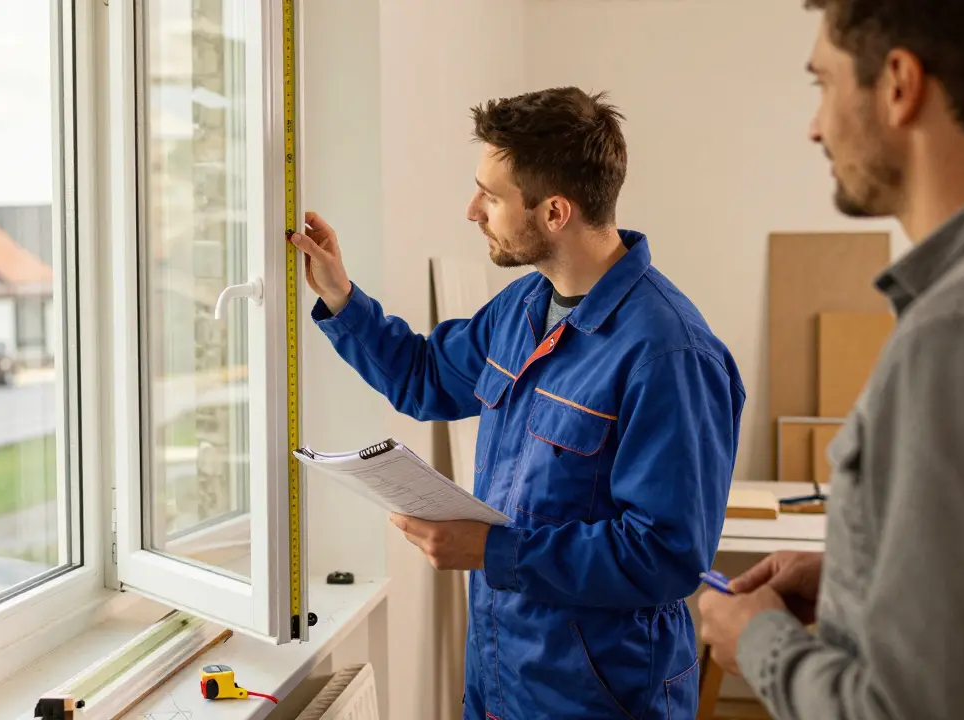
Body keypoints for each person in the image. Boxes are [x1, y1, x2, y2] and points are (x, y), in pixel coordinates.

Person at [291, 87, 745, 719]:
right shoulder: (525, 307)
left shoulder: (670, 356)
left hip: (602, 699)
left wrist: (489, 552)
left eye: (492, 195)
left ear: (555, 212)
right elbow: (426, 376)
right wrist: (341, 297)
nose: (472, 210)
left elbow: (665, 558)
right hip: (501, 680)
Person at [698, 2, 964, 718]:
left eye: (822, 85)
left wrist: (759, 642)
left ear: (898, 83)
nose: (814, 125)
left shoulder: (957, 332)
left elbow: (914, 709)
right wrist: (855, 582)